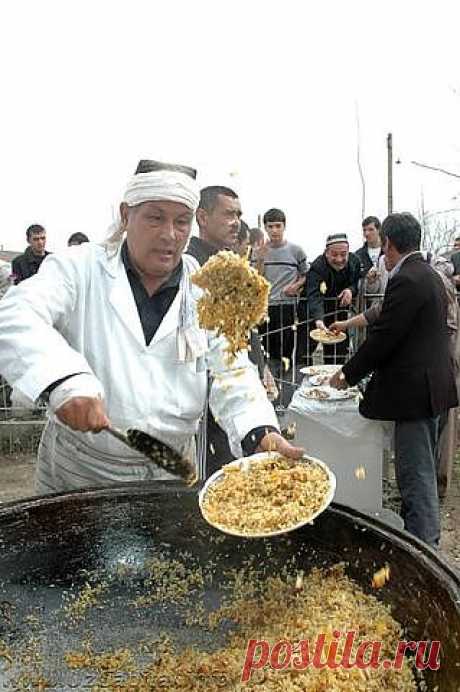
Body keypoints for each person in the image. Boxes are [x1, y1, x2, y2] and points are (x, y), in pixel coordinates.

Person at [0, 160, 302, 494]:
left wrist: (259, 430)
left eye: (182, 221)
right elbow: (16, 314)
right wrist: (65, 381)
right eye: (155, 217)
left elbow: (231, 370)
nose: (169, 234)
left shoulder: (203, 287)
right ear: (126, 215)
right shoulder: (81, 268)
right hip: (81, 469)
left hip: (166, 471)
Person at [330, 213, 458, 548]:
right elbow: (387, 318)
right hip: (431, 388)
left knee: (416, 476)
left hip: (417, 395)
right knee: (421, 472)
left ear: (387, 243)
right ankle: (420, 536)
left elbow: (385, 336)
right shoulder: (425, 274)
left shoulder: (408, 278)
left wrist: (347, 373)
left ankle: (424, 548)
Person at [187, 186, 268, 472]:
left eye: (239, 215)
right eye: (228, 214)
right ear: (202, 217)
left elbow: (243, 323)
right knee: (214, 466)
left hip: (239, 375)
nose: (236, 221)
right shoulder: (191, 266)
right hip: (207, 387)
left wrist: (261, 366)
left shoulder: (232, 261)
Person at [258, 208, 307, 387]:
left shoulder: (296, 251)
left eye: (278, 226)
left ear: (284, 226)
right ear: (265, 228)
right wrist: (261, 259)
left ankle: (285, 389)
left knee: (286, 349)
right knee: (267, 351)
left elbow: (306, 275)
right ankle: (269, 388)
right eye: (270, 226)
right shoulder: (259, 252)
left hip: (287, 307)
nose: (274, 230)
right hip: (264, 307)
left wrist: (295, 286)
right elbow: (255, 278)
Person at [304, 233, 361, 365]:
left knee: (337, 354)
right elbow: (314, 295)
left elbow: (355, 284)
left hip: (340, 312)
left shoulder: (355, 262)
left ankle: (334, 381)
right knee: (306, 352)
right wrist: (318, 319)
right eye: (334, 254)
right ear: (326, 253)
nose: (339, 259)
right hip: (313, 312)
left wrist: (350, 291)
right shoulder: (318, 267)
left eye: (343, 254)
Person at [355, 216, 383, 280]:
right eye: (364, 230)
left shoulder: (388, 252)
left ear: (379, 230)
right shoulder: (358, 255)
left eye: (371, 229)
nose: (366, 233)